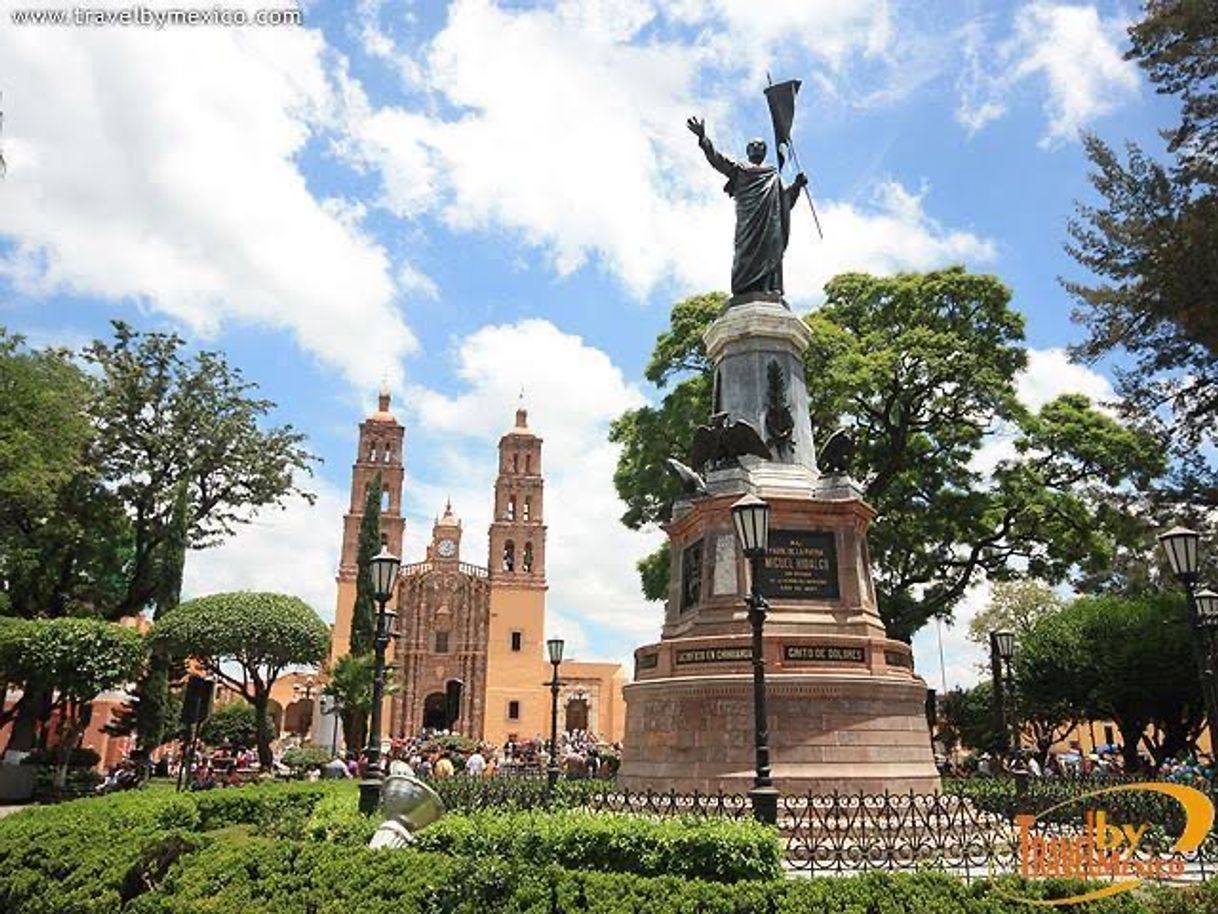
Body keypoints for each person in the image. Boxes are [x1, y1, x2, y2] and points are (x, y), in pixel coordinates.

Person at [686, 116, 807, 298]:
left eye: (761, 146)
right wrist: (703, 138)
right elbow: (717, 160)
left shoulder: (773, 174)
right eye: (753, 145)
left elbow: (784, 201)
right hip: (748, 220)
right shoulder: (740, 169)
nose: (757, 147)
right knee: (745, 252)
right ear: (747, 150)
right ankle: (744, 290)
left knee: (771, 249)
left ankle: (769, 287)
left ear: (765, 152)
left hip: (770, 221)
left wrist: (797, 185)